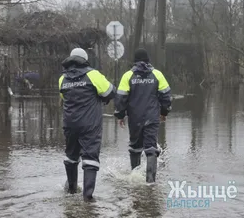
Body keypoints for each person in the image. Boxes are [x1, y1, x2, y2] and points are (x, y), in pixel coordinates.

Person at [58, 47, 116, 202]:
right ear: (85, 60)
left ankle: (71, 190)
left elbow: (63, 97)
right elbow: (110, 91)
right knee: (90, 157)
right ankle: (87, 197)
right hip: (90, 124)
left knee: (71, 157)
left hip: (70, 124)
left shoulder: (62, 79)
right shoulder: (93, 74)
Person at [114, 48, 172, 183]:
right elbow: (166, 96)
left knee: (135, 147)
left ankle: (134, 178)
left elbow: (121, 98)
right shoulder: (157, 74)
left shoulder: (128, 76)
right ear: (148, 60)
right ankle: (150, 182)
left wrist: (120, 115)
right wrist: (164, 112)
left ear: (134, 61)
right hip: (152, 116)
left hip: (134, 118)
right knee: (151, 147)